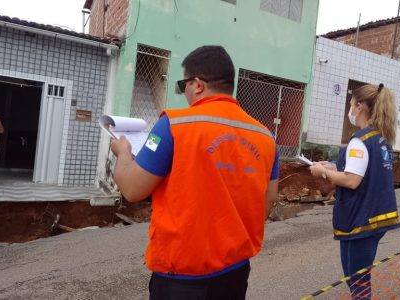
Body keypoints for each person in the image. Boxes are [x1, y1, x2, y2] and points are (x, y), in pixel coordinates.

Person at [110, 45, 279, 300]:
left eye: (183, 85)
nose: (184, 92)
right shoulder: (266, 137)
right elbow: (268, 200)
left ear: (197, 84)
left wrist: (123, 152)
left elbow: (133, 189)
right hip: (234, 273)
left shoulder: (174, 125)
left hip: (181, 278)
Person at [309, 83, 399, 299]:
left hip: (361, 219)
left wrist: (323, 172)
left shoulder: (360, 140)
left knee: (357, 281)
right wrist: (333, 165)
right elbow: (364, 170)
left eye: (351, 104)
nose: (349, 109)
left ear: (359, 106)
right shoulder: (380, 138)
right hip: (378, 216)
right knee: (357, 279)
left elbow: (351, 181)